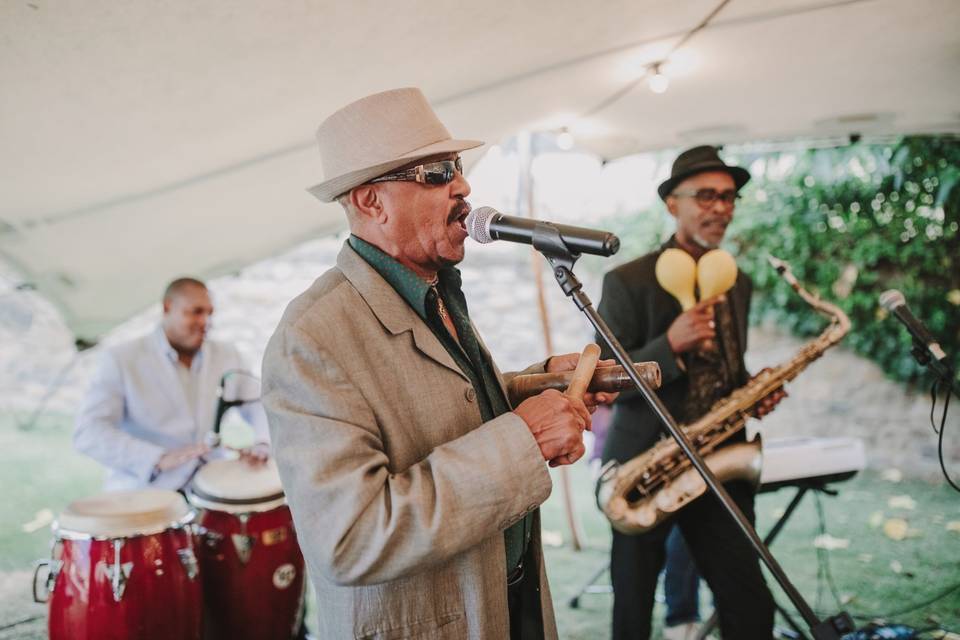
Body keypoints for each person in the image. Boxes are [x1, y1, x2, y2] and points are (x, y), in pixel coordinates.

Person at [261, 87, 614, 640]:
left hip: (507, 601)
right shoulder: (312, 337)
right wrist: (526, 438)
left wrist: (540, 386)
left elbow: (440, 401)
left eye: (458, 166)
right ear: (370, 201)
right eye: (437, 172)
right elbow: (350, 538)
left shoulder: (433, 289)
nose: (463, 185)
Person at [597, 145, 781, 639]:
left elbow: (725, 366)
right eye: (705, 195)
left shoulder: (736, 282)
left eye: (728, 197)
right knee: (632, 609)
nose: (720, 207)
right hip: (644, 465)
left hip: (720, 462)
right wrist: (668, 347)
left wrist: (751, 391)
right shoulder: (626, 281)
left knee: (750, 604)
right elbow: (606, 378)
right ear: (672, 204)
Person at [74, 277, 270, 491]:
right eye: (196, 312)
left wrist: (262, 442)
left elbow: (258, 403)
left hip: (210, 485)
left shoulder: (227, 354)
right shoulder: (121, 359)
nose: (206, 322)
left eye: (209, 313)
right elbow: (89, 431)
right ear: (167, 308)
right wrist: (156, 458)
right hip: (146, 488)